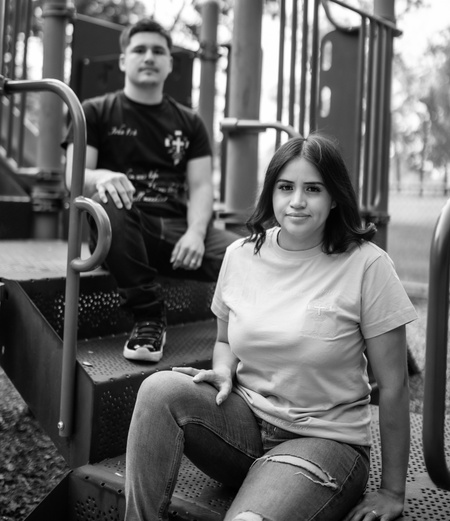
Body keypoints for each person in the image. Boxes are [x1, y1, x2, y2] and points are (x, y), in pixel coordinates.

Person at [124, 133, 417, 521]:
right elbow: (225, 340)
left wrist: (393, 491)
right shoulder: (240, 255)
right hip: (243, 424)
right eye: (285, 187)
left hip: (323, 440)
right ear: (271, 193)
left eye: (312, 188)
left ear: (334, 197)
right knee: (158, 389)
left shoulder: (367, 266)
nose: (297, 201)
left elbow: (394, 385)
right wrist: (224, 370)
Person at [63, 18, 238, 362]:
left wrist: (196, 233)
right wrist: (100, 177)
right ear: (124, 60)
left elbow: (202, 186)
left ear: (169, 63)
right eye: (139, 49)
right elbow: (73, 177)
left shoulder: (189, 122)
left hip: (175, 233)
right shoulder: (94, 112)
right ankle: (149, 317)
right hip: (122, 231)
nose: (149, 57)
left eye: (158, 51)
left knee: (250, 255)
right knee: (104, 203)